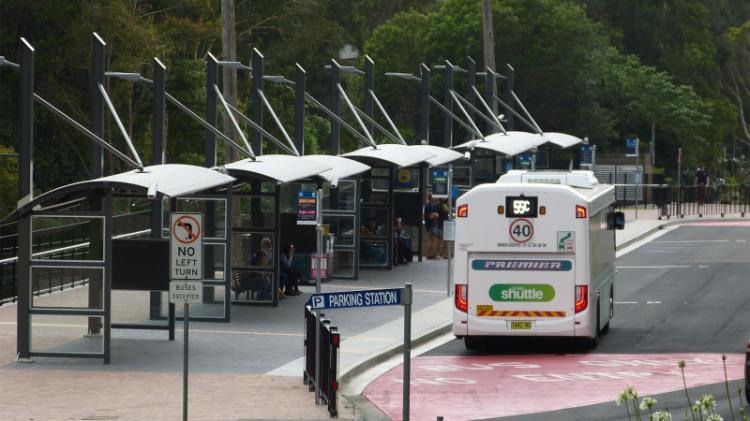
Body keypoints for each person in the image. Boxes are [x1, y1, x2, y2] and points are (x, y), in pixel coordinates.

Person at [424, 194, 440, 259]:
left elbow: (437, 215)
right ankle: (429, 254)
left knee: (433, 240)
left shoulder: (434, 205)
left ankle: (430, 254)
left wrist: (434, 214)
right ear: (430, 198)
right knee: (432, 240)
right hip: (431, 225)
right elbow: (430, 217)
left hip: (434, 224)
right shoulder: (428, 206)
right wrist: (434, 214)